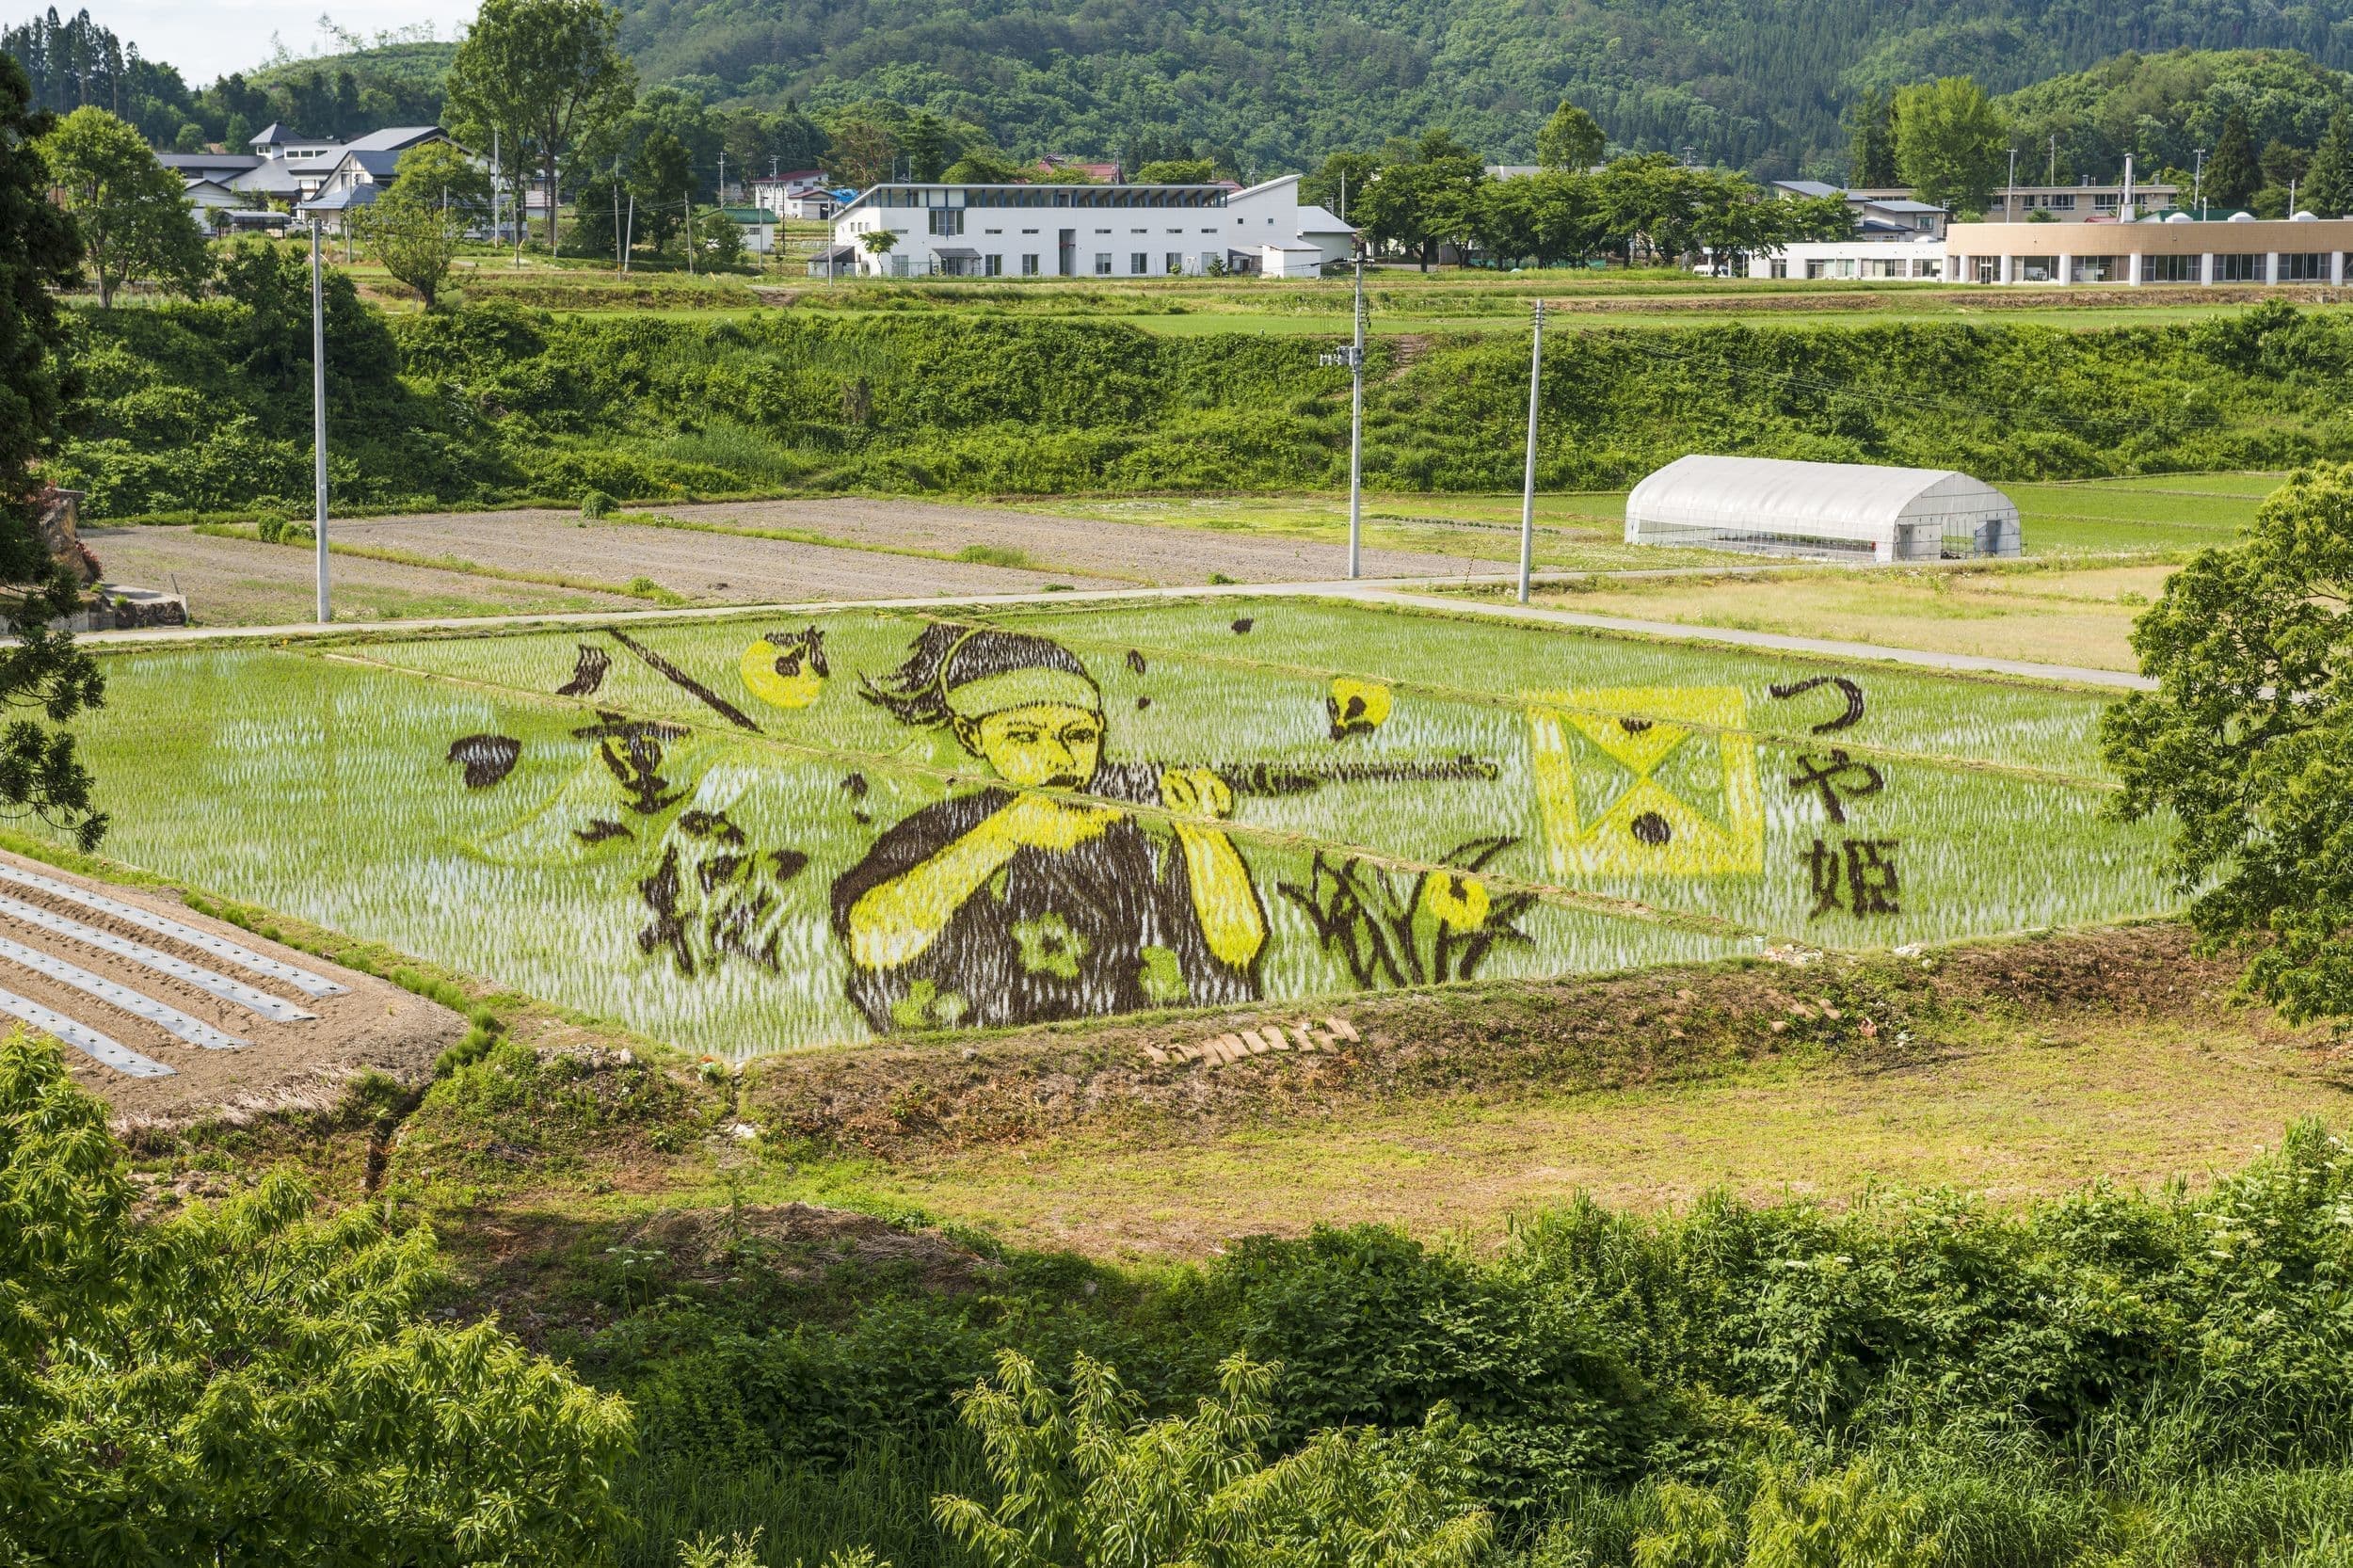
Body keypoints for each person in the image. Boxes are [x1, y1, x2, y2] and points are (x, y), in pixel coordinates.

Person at [831, 624, 1266, 1032]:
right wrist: (1004, 834)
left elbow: (1239, 946)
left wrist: (1203, 834)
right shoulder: (947, 828)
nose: (1060, 758)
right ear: (971, 735)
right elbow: (873, 941)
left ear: (1100, 730)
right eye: (1025, 737)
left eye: (1077, 736)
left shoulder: (1141, 830)